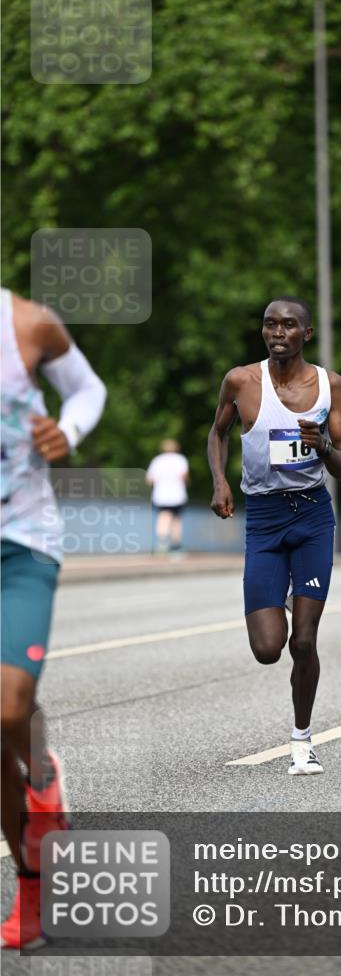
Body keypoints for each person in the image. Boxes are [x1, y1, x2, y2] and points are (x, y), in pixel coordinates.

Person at [1, 287, 106, 948]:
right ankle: (33, 890)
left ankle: (43, 774)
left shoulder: (27, 324)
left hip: (22, 541)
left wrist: (66, 431)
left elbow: (88, 389)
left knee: (9, 706)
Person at [208, 297, 341, 774]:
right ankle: (286, 595)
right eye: (270, 324)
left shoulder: (330, 386)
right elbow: (218, 433)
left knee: (304, 642)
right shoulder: (240, 381)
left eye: (288, 325)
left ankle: (302, 741)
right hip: (265, 519)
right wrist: (220, 481)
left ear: (306, 334)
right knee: (268, 649)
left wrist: (324, 446)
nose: (277, 332)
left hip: (312, 516)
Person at [146, 439, 189, 554]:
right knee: (176, 519)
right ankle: (175, 546)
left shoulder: (157, 460)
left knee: (163, 516)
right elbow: (184, 476)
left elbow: (150, 479)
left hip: (161, 495)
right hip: (177, 494)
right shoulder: (180, 460)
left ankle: (162, 541)